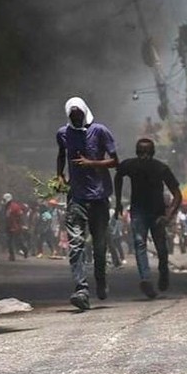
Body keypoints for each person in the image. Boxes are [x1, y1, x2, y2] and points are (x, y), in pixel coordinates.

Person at [56, 96, 118, 311]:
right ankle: (81, 289)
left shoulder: (100, 131)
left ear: (84, 113)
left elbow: (115, 161)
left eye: (79, 114)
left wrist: (91, 163)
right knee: (76, 245)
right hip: (76, 198)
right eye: (72, 115)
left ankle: (100, 278)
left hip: (99, 197)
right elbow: (61, 155)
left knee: (99, 246)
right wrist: (60, 176)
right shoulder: (63, 134)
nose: (76, 118)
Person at [114, 137, 182, 297]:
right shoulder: (131, 165)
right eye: (141, 152)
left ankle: (163, 270)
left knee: (161, 248)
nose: (144, 156)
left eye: (147, 153)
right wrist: (118, 202)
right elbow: (118, 176)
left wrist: (168, 216)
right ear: (136, 153)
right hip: (138, 211)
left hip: (157, 213)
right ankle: (145, 279)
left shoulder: (161, 168)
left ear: (153, 153)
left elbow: (177, 194)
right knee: (139, 244)